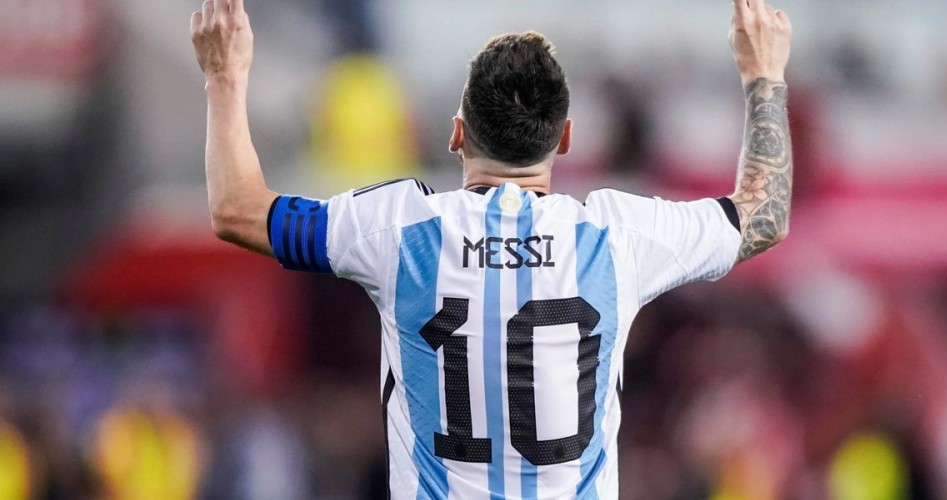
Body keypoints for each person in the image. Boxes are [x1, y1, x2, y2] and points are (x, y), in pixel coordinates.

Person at [190, 0, 792, 497]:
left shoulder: (397, 228)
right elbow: (763, 216)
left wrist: (225, 76)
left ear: (457, 134)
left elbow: (238, 210)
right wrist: (764, 74)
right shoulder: (618, 236)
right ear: (564, 139)